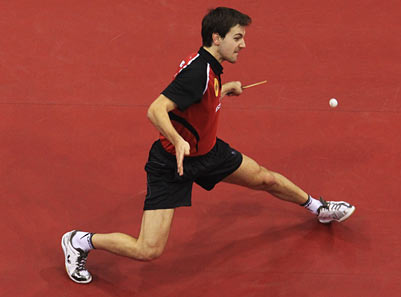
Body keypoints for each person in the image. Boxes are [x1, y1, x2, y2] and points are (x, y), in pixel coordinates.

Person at [61, 7, 355, 284]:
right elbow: (156, 109)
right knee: (148, 250)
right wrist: (177, 140)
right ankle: (79, 241)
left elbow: (194, 102)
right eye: (237, 38)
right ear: (217, 38)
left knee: (265, 178)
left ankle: (321, 208)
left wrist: (224, 89)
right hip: (172, 164)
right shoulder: (198, 72)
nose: (243, 45)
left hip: (209, 153)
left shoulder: (207, 67)